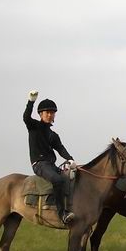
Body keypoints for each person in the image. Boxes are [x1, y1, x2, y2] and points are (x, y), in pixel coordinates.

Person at [24, 90, 76, 225]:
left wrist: (70, 159)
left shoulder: (53, 135)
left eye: (52, 112)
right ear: (41, 114)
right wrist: (31, 102)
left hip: (51, 165)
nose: (50, 114)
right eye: (47, 112)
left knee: (72, 177)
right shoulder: (33, 126)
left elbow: (60, 148)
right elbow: (26, 117)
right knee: (58, 180)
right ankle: (62, 214)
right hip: (39, 164)